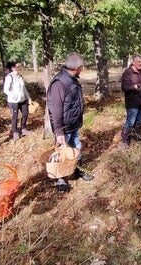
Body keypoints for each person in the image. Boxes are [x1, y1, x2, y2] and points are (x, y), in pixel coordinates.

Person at [47, 52, 94, 189]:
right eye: (82, 66)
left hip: (73, 124)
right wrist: (59, 131)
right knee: (62, 152)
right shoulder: (59, 83)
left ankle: (76, 169)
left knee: (76, 148)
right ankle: (60, 178)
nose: (82, 69)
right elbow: (55, 109)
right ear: (77, 67)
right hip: (64, 127)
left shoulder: (72, 79)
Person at [120, 55, 141, 148]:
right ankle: (125, 142)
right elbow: (124, 87)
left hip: (140, 102)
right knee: (130, 122)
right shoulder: (128, 73)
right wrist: (133, 87)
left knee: (139, 121)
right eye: (139, 61)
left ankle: (136, 137)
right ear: (133, 62)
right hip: (132, 102)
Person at [3, 61, 32, 140]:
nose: (19, 68)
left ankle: (23, 129)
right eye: (18, 67)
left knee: (25, 114)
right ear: (13, 68)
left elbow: (24, 89)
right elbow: (5, 90)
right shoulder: (10, 77)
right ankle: (15, 132)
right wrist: (13, 95)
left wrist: (28, 98)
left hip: (22, 100)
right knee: (15, 117)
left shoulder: (20, 77)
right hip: (13, 101)